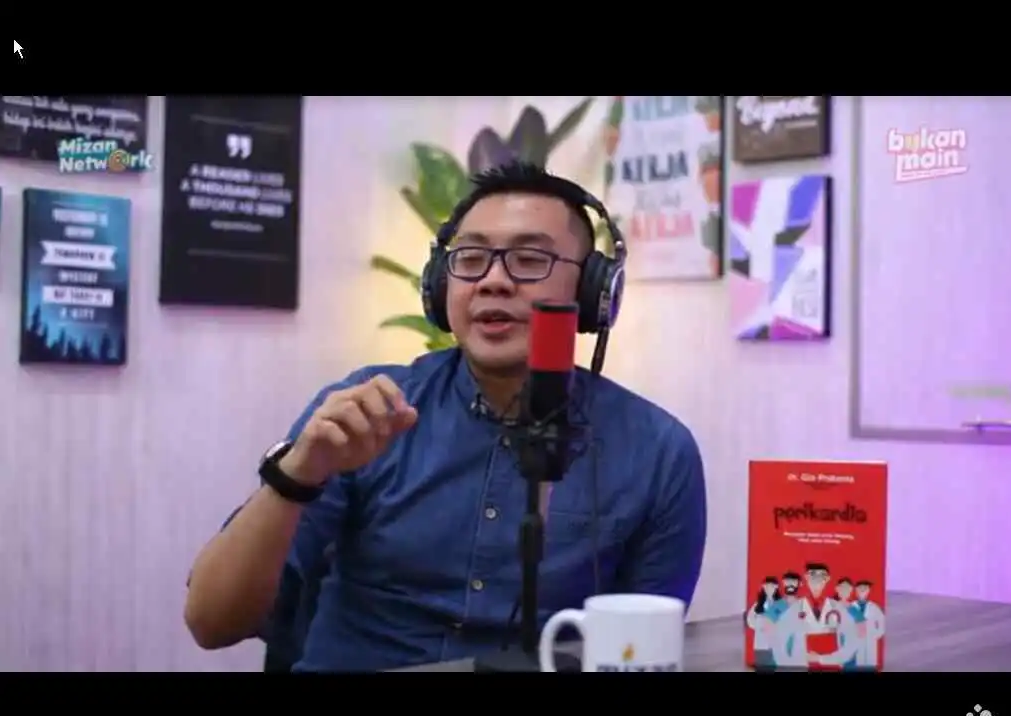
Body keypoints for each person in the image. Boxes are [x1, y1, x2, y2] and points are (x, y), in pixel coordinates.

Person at [184, 161, 708, 672]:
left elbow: (645, 651)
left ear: (595, 291)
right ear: (440, 284)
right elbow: (211, 623)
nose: (493, 281)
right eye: (471, 258)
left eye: (529, 260)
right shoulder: (365, 413)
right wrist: (296, 476)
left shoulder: (657, 454)